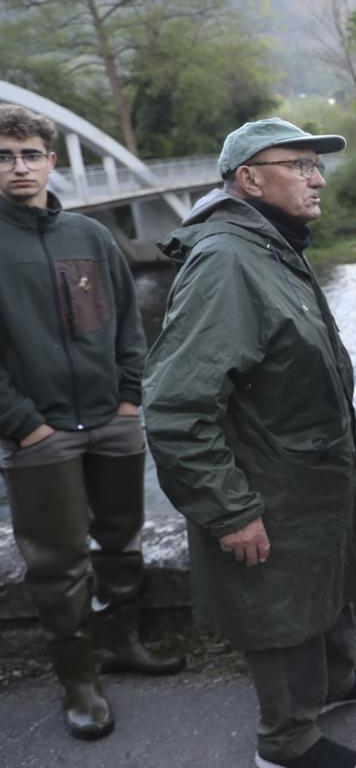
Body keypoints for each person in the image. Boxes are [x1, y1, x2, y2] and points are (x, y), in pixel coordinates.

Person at [143, 118, 356, 768]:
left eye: (319, 166)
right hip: (268, 488)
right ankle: (286, 742)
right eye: (300, 165)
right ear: (249, 179)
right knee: (280, 606)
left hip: (303, 479)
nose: (318, 179)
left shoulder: (268, 244)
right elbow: (175, 408)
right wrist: (229, 509)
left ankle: (334, 685)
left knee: (319, 584)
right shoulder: (227, 262)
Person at [0, 104, 184, 740]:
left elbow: (129, 323)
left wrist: (130, 398)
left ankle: (122, 642)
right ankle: (78, 680)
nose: (18, 167)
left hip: (113, 420)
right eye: (3, 156)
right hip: (38, 433)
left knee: (122, 541)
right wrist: (22, 424)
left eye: (29, 154)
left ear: (52, 161)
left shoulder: (91, 236)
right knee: (57, 563)